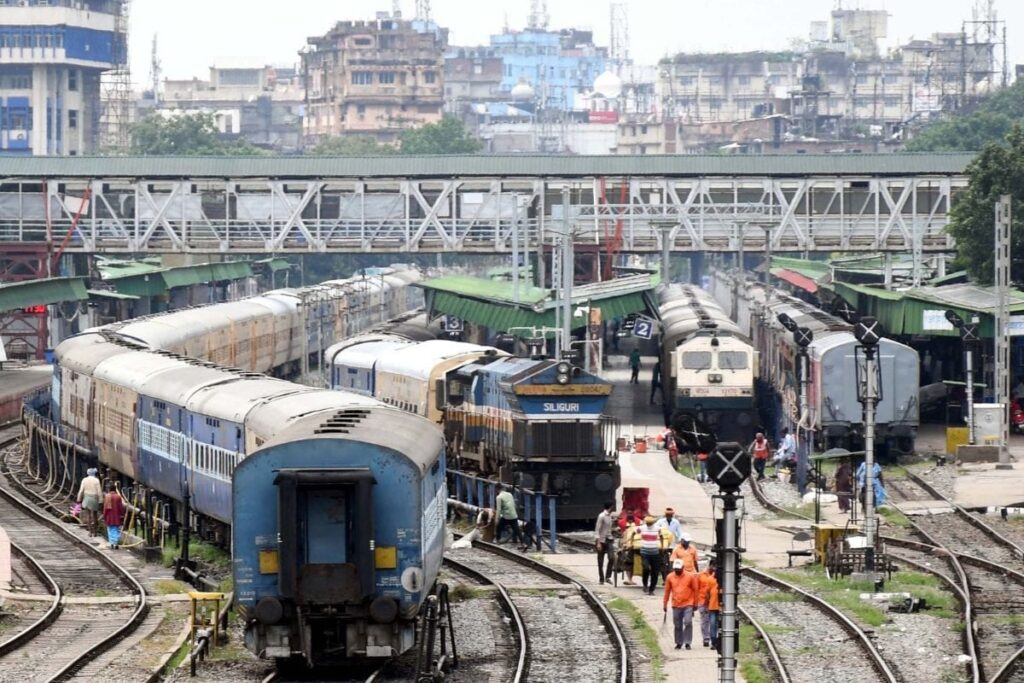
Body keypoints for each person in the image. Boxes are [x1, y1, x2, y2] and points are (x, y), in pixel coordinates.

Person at [662, 558, 700, 650]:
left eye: (679, 569)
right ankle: (679, 642)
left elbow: (695, 590)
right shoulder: (670, 577)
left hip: (688, 603)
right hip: (676, 604)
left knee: (688, 622)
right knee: (677, 624)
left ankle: (687, 642)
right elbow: (667, 591)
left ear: (683, 567)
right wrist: (665, 604)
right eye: (676, 569)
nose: (677, 571)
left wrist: (695, 603)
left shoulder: (690, 576)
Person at [639, 515, 667, 595]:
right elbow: (634, 532)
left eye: (650, 523)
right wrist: (630, 541)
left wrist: (662, 546)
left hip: (655, 553)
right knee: (646, 568)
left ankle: (651, 589)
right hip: (644, 553)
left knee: (655, 572)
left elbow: (662, 536)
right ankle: (645, 584)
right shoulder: (642, 528)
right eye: (647, 523)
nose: (648, 525)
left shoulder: (657, 528)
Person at [698, 559, 721, 647]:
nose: (714, 568)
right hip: (704, 601)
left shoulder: (720, 577)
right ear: (710, 565)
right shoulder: (703, 575)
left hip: (715, 604)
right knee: (706, 621)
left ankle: (714, 640)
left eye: (716, 566)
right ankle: (706, 638)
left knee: (715, 623)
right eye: (713, 566)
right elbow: (700, 589)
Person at [76, 467, 102, 537]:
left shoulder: (84, 480)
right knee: (95, 515)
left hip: (87, 498)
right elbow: (99, 492)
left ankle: (90, 532)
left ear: (88, 473)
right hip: (94, 498)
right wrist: (100, 501)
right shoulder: (96, 480)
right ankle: (95, 532)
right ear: (94, 473)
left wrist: (78, 499)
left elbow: (81, 491)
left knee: (88, 515)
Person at [595, 500, 616, 584]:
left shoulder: (610, 516)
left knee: (612, 558)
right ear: (611, 507)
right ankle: (601, 578)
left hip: (609, 539)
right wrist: (598, 542)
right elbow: (597, 530)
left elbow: (608, 529)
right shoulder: (601, 516)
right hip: (602, 540)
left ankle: (608, 576)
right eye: (613, 506)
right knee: (600, 561)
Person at [102, 482, 126, 549]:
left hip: (109, 516)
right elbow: (121, 507)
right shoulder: (118, 497)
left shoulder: (107, 496)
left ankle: (112, 542)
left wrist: (104, 515)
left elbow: (105, 508)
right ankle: (115, 542)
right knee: (116, 529)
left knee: (110, 529)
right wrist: (122, 514)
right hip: (117, 516)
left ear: (109, 489)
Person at [620, 516, 641, 585]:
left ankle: (630, 579)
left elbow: (623, 542)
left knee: (628, 562)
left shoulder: (628, 531)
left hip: (634, 548)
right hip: (635, 548)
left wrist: (624, 546)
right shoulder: (639, 529)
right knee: (629, 562)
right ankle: (630, 579)